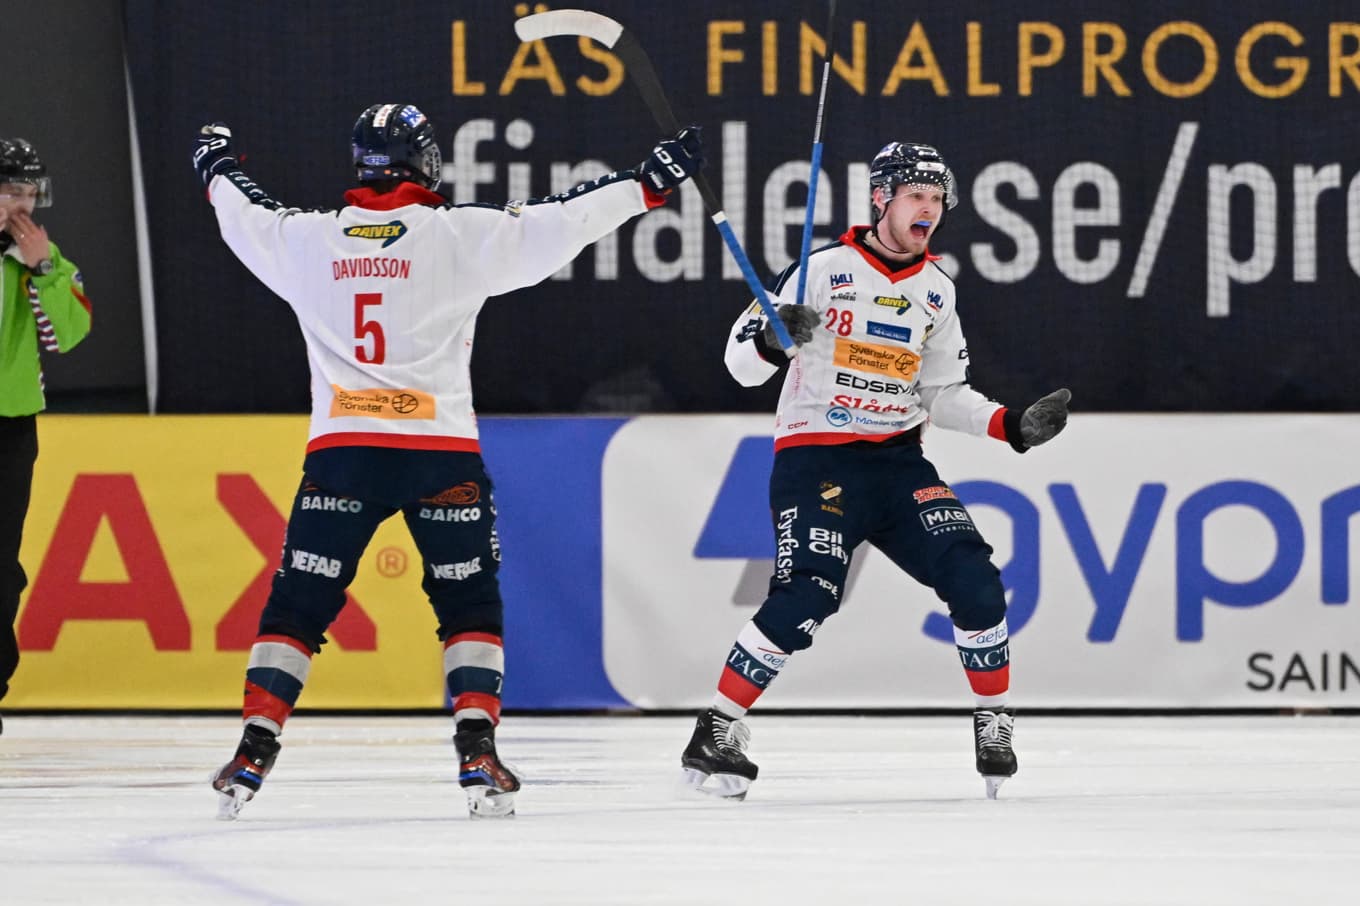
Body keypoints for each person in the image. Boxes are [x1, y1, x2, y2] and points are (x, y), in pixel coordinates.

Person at [192, 104, 704, 819]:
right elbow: (562, 220)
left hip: (344, 453)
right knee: (467, 604)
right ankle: (477, 752)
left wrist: (215, 163)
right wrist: (647, 182)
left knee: (298, 604)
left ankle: (253, 750)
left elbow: (242, 212)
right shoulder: (459, 233)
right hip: (439, 454)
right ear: (423, 162)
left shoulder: (307, 240)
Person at [679, 141, 1070, 801]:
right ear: (881, 198)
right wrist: (772, 339)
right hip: (817, 457)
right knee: (808, 594)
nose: (929, 210)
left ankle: (994, 719)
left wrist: (1010, 425)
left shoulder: (936, 290)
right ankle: (716, 728)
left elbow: (941, 393)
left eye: (937, 199)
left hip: (896, 462)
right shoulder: (820, 269)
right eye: (916, 195)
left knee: (975, 579)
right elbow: (738, 366)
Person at [0, 139, 92, 736]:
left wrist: (43, 270)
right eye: (14, 191)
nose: (25, 206)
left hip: (10, 426)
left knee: (2, 570)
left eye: (32, 193)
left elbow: (69, 335)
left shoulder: (41, 256)